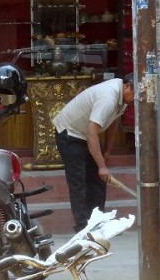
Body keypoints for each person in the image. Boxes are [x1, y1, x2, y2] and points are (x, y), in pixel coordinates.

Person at [52, 73, 135, 232]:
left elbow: (112, 122)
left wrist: (107, 150)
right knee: (79, 181)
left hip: (86, 134)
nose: (135, 99)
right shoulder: (108, 98)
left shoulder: (123, 98)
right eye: (135, 94)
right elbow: (92, 132)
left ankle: (97, 222)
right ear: (126, 86)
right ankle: (83, 227)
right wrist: (102, 166)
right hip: (70, 133)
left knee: (98, 180)